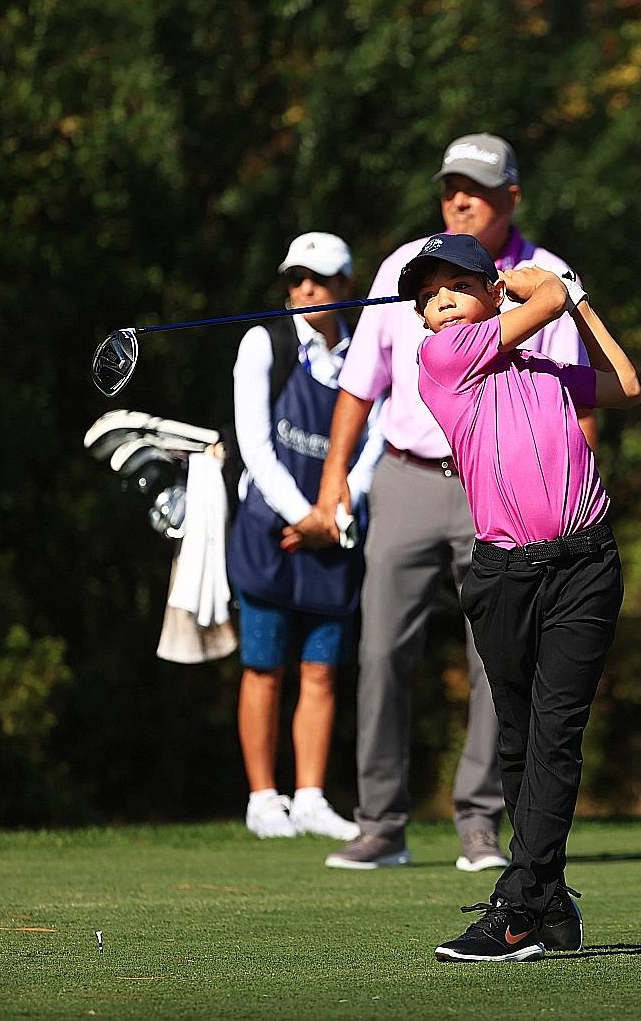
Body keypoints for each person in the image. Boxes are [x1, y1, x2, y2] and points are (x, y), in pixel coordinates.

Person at [317, 134, 589, 871]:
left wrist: (577, 475)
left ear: (512, 197)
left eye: (475, 187)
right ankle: (381, 823)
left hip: (501, 486)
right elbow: (359, 382)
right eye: (449, 188)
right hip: (406, 475)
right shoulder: (406, 270)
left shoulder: (545, 276)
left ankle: (479, 825)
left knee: (498, 661)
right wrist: (334, 474)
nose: (460, 199)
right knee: (380, 652)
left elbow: (578, 389)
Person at [392, 233, 641, 962]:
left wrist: (582, 305)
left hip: (585, 564)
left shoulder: (540, 366)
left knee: (555, 735)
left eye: (457, 284)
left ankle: (521, 906)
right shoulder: (441, 360)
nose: (441, 297)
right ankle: (551, 899)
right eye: (428, 292)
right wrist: (548, 285)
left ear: (492, 292)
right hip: (504, 574)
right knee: (519, 740)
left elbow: (626, 385)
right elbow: (549, 298)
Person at [226, 232, 384, 840]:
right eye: (296, 279)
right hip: (272, 528)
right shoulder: (262, 341)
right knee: (264, 667)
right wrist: (306, 514)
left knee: (320, 670)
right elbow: (256, 445)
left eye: (318, 280)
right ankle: (264, 798)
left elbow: (374, 441)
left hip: (335, 529)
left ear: (346, 287)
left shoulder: (365, 353)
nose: (306, 290)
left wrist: (335, 515)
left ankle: (311, 795)